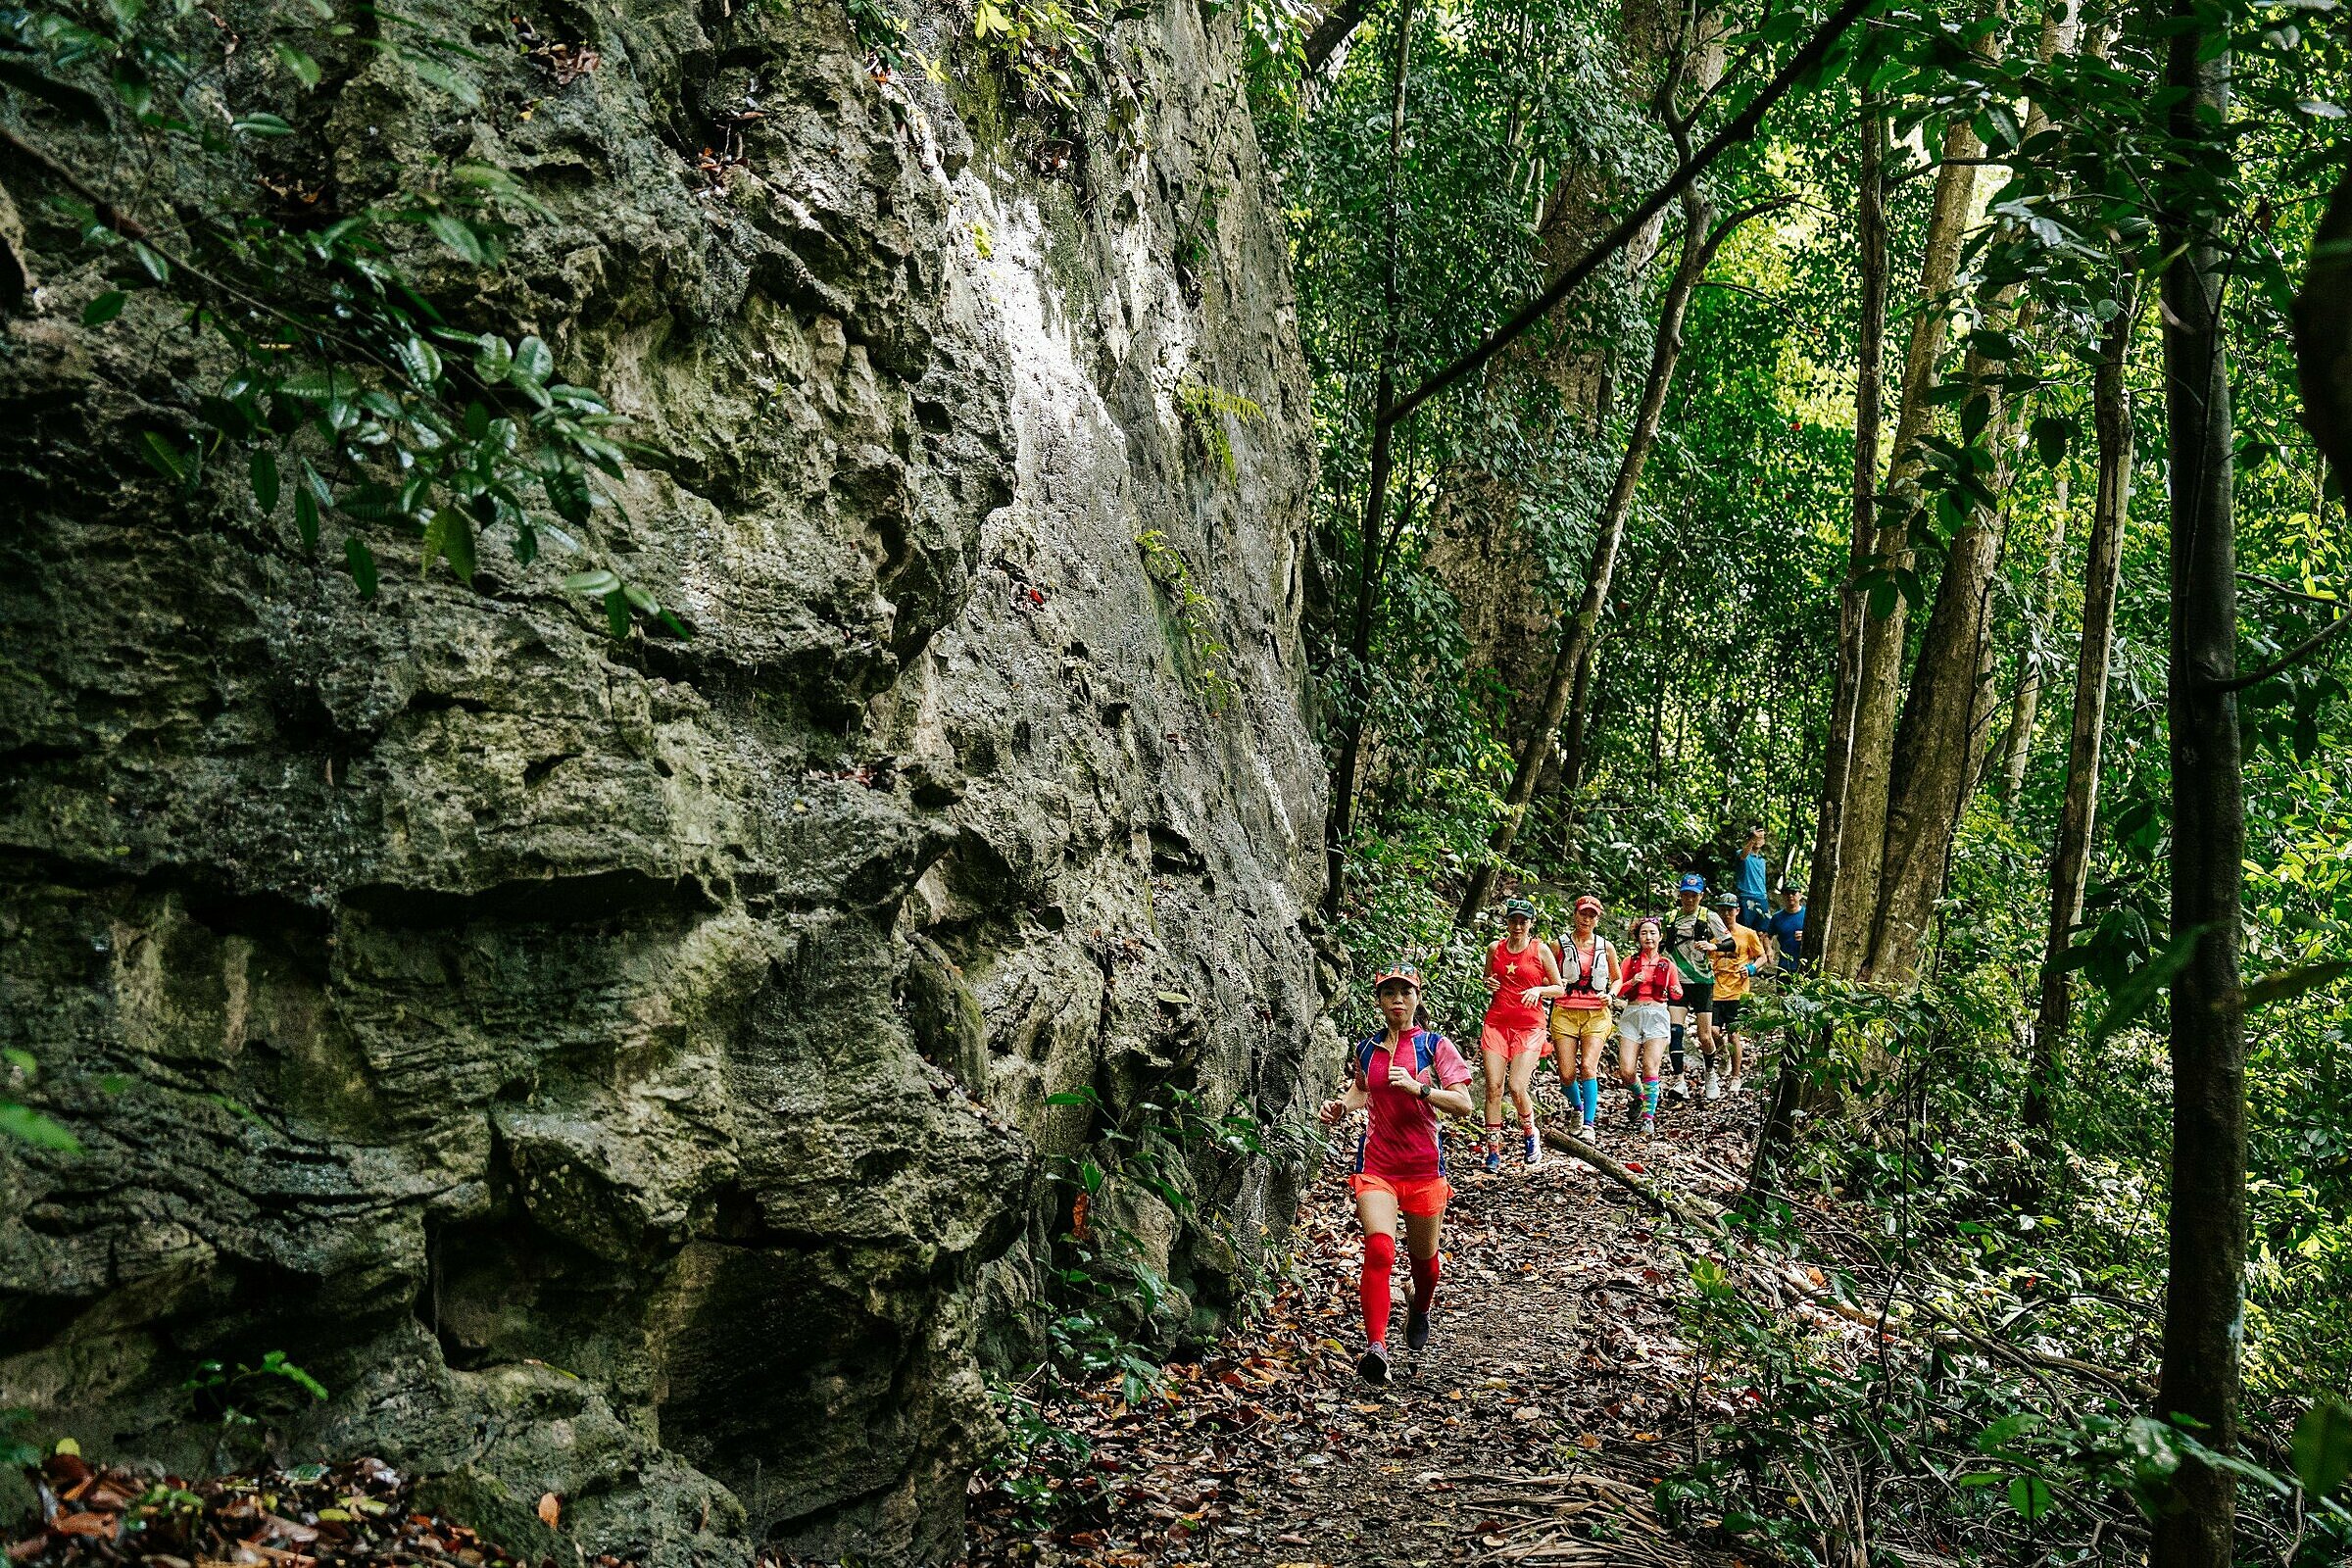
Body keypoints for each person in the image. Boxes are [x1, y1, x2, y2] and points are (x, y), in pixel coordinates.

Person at [1319, 964, 1476, 1384]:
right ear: (1380, 1000)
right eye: (1389, 993)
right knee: (1380, 1250)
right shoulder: (1366, 1049)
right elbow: (1362, 1088)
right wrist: (1342, 1106)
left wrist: (1419, 1088)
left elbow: (1464, 1105)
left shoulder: (1435, 1047)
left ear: (1417, 998)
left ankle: (1418, 1307)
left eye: (1404, 992)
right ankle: (1375, 1348)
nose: (1397, 1000)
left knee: (1425, 1266)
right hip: (1378, 1167)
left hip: (1425, 1169)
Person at [1479, 897, 1564, 1171]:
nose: (1517, 926)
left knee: (1516, 1086)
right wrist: (1489, 982)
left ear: (1531, 924)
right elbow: (1487, 979)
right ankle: (1493, 1151)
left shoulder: (1540, 951)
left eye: (1523, 921)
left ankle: (1530, 1133)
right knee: (1493, 1087)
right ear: (1507, 922)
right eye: (1513, 920)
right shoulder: (1496, 948)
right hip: (1497, 1023)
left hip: (1530, 1026)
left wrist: (1538, 990)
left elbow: (1559, 988)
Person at [1547, 895, 1619, 1137]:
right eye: (1583, 914)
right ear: (1575, 914)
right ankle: (1577, 1108)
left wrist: (1612, 994)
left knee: (1588, 1066)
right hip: (1565, 1012)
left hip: (1596, 1013)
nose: (1586, 919)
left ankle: (1589, 1124)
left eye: (1592, 915)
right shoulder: (1558, 945)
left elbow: (1617, 978)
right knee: (1566, 1074)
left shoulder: (1605, 946)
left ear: (1598, 919)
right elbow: (1545, 975)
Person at [1611, 917, 1682, 1136]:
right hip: (1632, 1013)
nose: (1648, 937)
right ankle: (1642, 1096)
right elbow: (1617, 990)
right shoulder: (1629, 962)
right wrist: (1633, 981)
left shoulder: (1667, 964)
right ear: (1638, 937)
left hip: (1657, 1014)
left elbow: (1675, 988)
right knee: (1626, 1071)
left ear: (1660, 937)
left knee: (1651, 1067)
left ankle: (1648, 1118)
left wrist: (1676, 992)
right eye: (1644, 933)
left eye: (1653, 933)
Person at [1665, 874, 1728, 1098]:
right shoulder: (1671, 917)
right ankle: (1679, 1080)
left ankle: (1710, 1072)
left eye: (1693, 895)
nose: (1689, 900)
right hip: (1677, 981)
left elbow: (1729, 943)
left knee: (1704, 1036)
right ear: (1679, 895)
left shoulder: (1709, 916)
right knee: (1675, 1031)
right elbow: (1660, 942)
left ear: (1701, 896)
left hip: (1702, 981)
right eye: (1685, 895)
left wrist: (1711, 946)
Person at [1708, 891, 1768, 1097]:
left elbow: (1762, 957)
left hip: (1737, 992)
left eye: (1729, 910)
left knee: (1735, 1034)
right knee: (1713, 1032)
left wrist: (1751, 969)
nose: (1726, 914)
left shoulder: (1748, 934)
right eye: (1722, 909)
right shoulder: (1714, 936)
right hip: (1715, 991)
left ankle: (1736, 1076)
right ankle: (1723, 1053)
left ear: (1737, 911)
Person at [1763, 880, 1807, 975]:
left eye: (1793, 892)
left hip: (1805, 966)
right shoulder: (1777, 917)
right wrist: (1769, 949)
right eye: (1787, 893)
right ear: (1782, 896)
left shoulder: (1808, 915)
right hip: (1784, 966)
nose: (1790, 896)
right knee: (1782, 990)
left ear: (1800, 895)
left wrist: (1806, 936)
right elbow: (1767, 936)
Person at [1736, 823, 1771, 933]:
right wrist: (1753, 839)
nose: (1758, 839)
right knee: (1744, 930)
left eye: (1761, 837)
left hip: (1762, 897)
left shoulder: (1762, 860)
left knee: (1762, 932)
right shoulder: (1742, 854)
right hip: (1746, 896)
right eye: (1756, 836)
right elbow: (1743, 855)